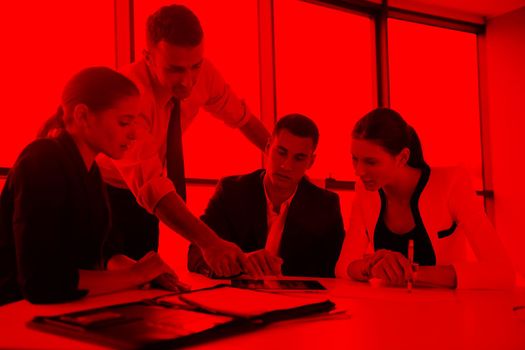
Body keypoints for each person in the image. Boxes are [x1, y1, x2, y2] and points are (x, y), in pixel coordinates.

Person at [94, 4, 269, 277]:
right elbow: (151, 185)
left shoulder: (204, 75)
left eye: (194, 67)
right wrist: (210, 243)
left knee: (148, 284)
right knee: (108, 281)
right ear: (148, 58)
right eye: (175, 70)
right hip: (102, 191)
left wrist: (278, 155)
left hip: (145, 202)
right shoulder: (129, 95)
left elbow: (243, 119)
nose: (188, 82)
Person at [0, 67, 183, 306]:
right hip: (15, 313)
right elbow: (42, 282)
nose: (134, 135)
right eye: (124, 122)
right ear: (83, 116)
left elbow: (105, 252)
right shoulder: (41, 160)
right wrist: (136, 275)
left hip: (65, 308)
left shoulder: (92, 172)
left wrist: (144, 270)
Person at [335, 107, 515, 289]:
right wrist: (371, 266)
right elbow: (343, 267)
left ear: (403, 157)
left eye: (371, 162)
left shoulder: (451, 183)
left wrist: (412, 273)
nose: (359, 171)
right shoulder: (364, 192)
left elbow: (503, 272)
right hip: (385, 311)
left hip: (445, 311)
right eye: (355, 159)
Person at [188, 114, 345, 277]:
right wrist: (240, 263)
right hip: (237, 298)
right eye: (281, 153)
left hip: (298, 300)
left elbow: (334, 270)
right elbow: (195, 254)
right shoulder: (231, 191)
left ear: (311, 162)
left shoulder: (325, 205)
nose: (286, 165)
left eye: (299, 158)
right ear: (268, 147)